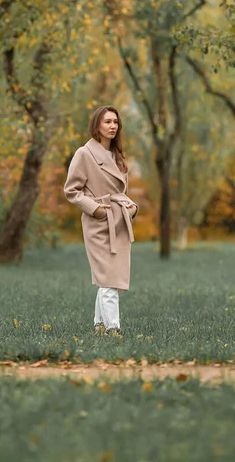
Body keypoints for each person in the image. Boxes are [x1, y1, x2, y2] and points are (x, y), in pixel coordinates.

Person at [64, 105, 138, 336]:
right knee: (108, 277)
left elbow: (121, 191)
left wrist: (132, 207)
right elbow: (72, 190)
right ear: (97, 125)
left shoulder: (117, 155)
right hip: (99, 223)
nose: (112, 126)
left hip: (119, 222)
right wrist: (96, 210)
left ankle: (99, 325)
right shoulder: (84, 154)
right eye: (107, 121)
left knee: (108, 276)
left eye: (115, 122)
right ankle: (114, 329)